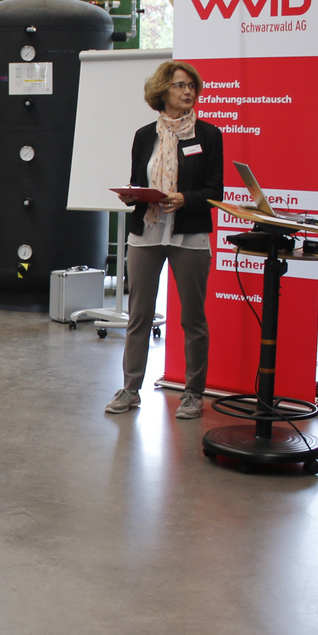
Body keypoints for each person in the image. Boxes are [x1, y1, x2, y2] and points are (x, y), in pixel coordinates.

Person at [106, 61, 222, 420]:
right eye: (179, 86)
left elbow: (214, 189)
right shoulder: (145, 135)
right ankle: (130, 389)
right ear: (162, 92)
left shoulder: (208, 135)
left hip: (189, 233)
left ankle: (192, 393)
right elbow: (136, 180)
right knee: (138, 314)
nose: (188, 92)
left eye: (191, 86)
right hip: (147, 232)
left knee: (192, 317)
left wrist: (186, 198)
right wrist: (131, 196)